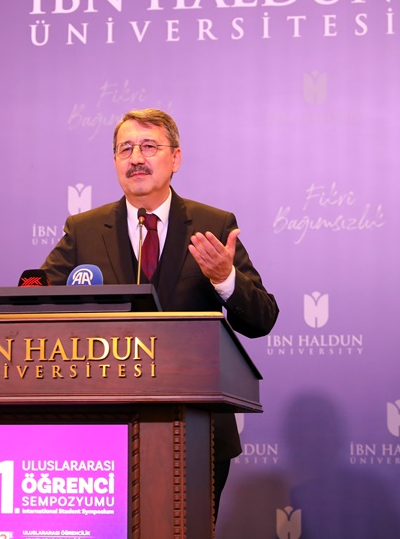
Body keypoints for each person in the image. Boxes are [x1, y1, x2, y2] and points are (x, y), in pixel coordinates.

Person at [41, 108, 279, 517]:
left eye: (149, 146)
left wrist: (225, 278)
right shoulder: (83, 230)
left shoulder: (213, 224)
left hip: (197, 429)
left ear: (176, 158)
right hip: (102, 430)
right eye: (126, 148)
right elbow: (37, 298)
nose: (136, 158)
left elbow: (262, 318)